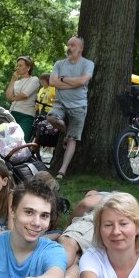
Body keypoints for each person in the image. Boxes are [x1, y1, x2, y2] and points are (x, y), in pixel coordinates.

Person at [48, 36, 95, 180]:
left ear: (80, 48)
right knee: (51, 118)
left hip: (79, 106)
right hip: (60, 103)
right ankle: (66, 132)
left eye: (73, 45)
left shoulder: (88, 64)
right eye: (68, 45)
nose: (69, 48)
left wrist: (62, 79)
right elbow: (51, 82)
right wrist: (72, 83)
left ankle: (62, 170)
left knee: (73, 138)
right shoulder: (59, 64)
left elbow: (82, 81)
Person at [6, 56, 41, 138]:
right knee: (8, 139)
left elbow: (25, 95)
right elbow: (8, 96)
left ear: (28, 68)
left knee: (22, 140)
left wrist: (13, 98)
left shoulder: (34, 80)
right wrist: (13, 79)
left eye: (20, 65)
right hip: (12, 113)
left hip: (26, 116)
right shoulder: (16, 82)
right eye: (17, 65)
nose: (18, 68)